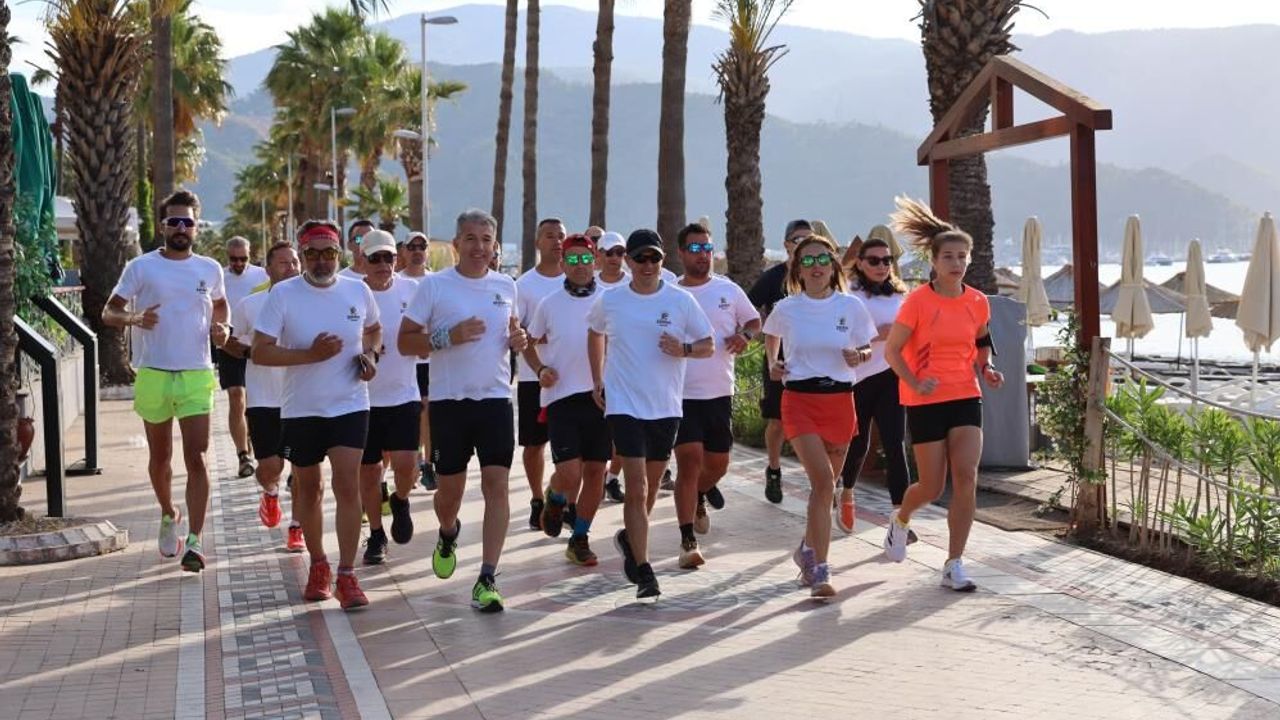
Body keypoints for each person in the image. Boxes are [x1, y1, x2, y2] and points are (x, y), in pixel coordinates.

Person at [398, 208, 528, 613]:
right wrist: (447, 337)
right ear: (456, 244)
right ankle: (448, 531)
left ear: (494, 246)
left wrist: (518, 339)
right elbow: (405, 342)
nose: (479, 247)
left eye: (486, 240)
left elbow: (511, 331)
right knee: (449, 494)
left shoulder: (506, 285)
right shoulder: (434, 286)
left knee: (497, 485)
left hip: (495, 402)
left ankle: (487, 577)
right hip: (448, 405)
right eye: (470, 239)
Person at [252, 219, 382, 611]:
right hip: (302, 408)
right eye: (313, 253)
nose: (322, 261)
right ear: (302, 254)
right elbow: (260, 351)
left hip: (350, 403)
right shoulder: (283, 294)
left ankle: (347, 574)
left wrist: (370, 356)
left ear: (340, 253)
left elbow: (375, 331)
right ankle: (319, 565)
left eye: (329, 253)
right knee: (309, 489)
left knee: (347, 486)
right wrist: (310, 355)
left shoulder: (358, 290)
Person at [881, 197, 1004, 592]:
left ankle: (954, 563)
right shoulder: (917, 301)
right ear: (933, 261)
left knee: (966, 476)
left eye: (962, 256)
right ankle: (901, 519)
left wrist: (986, 368)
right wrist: (915, 382)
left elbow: (982, 342)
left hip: (965, 394)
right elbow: (892, 351)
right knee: (932, 487)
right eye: (948, 256)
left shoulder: (977, 301)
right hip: (924, 400)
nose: (956, 263)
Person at [103, 189, 228, 573]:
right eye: (174, 221)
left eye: (187, 222)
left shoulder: (210, 268)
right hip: (153, 372)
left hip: (196, 373)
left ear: (196, 227)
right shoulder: (141, 267)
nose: (181, 228)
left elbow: (220, 305)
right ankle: (168, 511)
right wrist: (134, 319)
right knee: (160, 459)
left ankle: (195, 541)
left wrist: (223, 328)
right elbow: (109, 312)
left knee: (198, 457)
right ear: (162, 226)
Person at [587, 228, 713, 599]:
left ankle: (630, 539)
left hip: (665, 406)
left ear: (662, 260)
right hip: (624, 404)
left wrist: (683, 349)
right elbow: (594, 333)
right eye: (639, 258)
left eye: (653, 258)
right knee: (636, 485)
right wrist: (598, 379)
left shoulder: (680, 300)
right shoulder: (611, 300)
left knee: (651, 488)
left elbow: (708, 344)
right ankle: (645, 571)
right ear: (628, 260)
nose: (647, 265)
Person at [762, 234, 876, 599]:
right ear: (797, 269)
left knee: (823, 491)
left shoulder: (851, 306)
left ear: (833, 265)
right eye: (807, 261)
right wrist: (773, 363)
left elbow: (867, 346)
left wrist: (859, 355)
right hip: (800, 400)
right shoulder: (787, 308)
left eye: (822, 259)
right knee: (824, 484)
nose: (815, 267)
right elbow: (770, 336)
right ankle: (822, 571)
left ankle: (807, 551)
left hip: (840, 401)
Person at [672, 223, 761, 569]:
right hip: (679, 394)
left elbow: (753, 321)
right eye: (695, 249)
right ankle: (687, 541)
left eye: (707, 248)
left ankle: (698, 494)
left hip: (719, 392)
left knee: (718, 464)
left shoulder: (728, 290)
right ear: (681, 253)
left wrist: (745, 336)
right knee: (689, 461)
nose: (703, 255)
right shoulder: (670, 293)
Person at [523, 233, 611, 565]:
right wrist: (540, 368)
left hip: (602, 398)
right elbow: (528, 342)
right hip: (561, 398)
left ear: (595, 261)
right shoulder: (549, 304)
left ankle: (579, 538)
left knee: (596, 472)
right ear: (562, 264)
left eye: (585, 258)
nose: (580, 265)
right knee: (571, 473)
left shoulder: (610, 300)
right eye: (572, 259)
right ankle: (556, 496)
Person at [229, 241, 305, 552]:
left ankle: (297, 527)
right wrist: (251, 351)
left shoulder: (314, 302)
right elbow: (231, 343)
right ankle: (270, 492)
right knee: (271, 467)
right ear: (268, 269)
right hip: (264, 399)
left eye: (295, 262)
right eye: (284, 263)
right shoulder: (250, 305)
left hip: (302, 399)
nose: (292, 268)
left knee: (304, 470)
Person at [837, 233, 911, 535]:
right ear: (860, 263)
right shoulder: (849, 294)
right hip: (858, 377)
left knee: (895, 444)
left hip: (892, 375)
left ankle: (901, 518)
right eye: (874, 260)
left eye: (887, 260)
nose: (881, 266)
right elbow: (840, 334)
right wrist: (879, 333)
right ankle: (847, 492)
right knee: (859, 442)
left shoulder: (901, 295)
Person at [356, 230, 421, 564]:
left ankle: (400, 499)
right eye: (375, 258)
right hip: (361, 399)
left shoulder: (413, 290)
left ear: (398, 258)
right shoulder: (352, 292)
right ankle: (377, 534)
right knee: (369, 472)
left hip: (404, 395)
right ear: (362, 260)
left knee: (407, 465)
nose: (383, 264)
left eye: (388, 257)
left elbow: (425, 332)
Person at [748, 219, 813, 504]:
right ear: (787, 244)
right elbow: (748, 308)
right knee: (778, 421)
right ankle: (774, 469)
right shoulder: (772, 278)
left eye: (809, 239)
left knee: (813, 422)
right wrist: (762, 328)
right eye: (798, 239)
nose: (803, 244)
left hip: (813, 361)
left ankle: (821, 478)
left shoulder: (820, 275)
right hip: (780, 361)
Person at [515, 218, 566, 530]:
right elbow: (518, 331)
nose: (557, 241)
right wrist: (540, 337)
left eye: (561, 236)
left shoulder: (576, 280)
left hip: (569, 379)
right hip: (533, 378)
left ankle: (560, 497)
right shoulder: (524, 285)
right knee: (534, 446)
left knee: (569, 449)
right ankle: (537, 498)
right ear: (537, 242)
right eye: (549, 236)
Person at [218, 236, 268, 479]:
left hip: (258, 347)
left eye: (243, 259)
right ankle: (242, 455)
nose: (238, 263)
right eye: (233, 259)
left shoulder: (262, 276)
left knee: (255, 402)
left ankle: (255, 442)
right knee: (237, 397)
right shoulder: (219, 277)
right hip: (230, 345)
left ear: (251, 255)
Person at [399, 231, 437, 490]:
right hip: (403, 362)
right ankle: (412, 461)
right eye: (411, 247)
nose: (416, 251)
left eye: (421, 246)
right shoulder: (396, 281)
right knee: (412, 414)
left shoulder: (436, 282)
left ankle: (428, 464)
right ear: (403, 251)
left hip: (430, 361)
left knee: (427, 410)